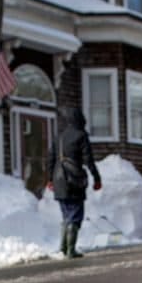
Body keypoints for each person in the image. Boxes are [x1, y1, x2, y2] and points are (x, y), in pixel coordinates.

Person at [48, 107, 101, 258]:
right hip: (74, 180)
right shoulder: (81, 136)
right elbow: (88, 160)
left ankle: (63, 248)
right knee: (75, 214)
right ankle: (71, 250)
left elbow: (50, 159)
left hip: (59, 180)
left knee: (66, 215)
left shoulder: (59, 137)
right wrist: (97, 178)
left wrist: (50, 179)